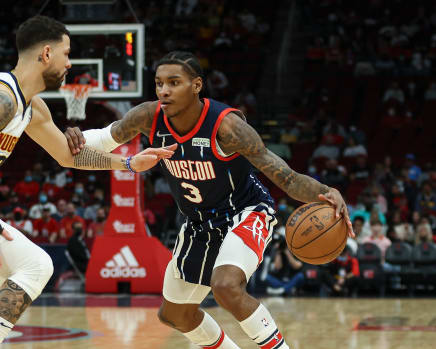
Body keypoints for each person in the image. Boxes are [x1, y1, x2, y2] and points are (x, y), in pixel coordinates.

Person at [0, 16, 175, 349]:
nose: (70, 63)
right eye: (66, 53)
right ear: (46, 53)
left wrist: (128, 162)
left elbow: (68, 155)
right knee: (37, 264)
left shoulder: (30, 107)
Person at [65, 51, 353, 349]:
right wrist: (75, 138)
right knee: (175, 315)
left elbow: (286, 177)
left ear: (197, 85)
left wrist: (326, 191)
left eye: (174, 82)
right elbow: (103, 138)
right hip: (199, 222)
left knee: (226, 286)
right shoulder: (148, 116)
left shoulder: (228, 127)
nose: (164, 90)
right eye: (159, 83)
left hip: (246, 210)